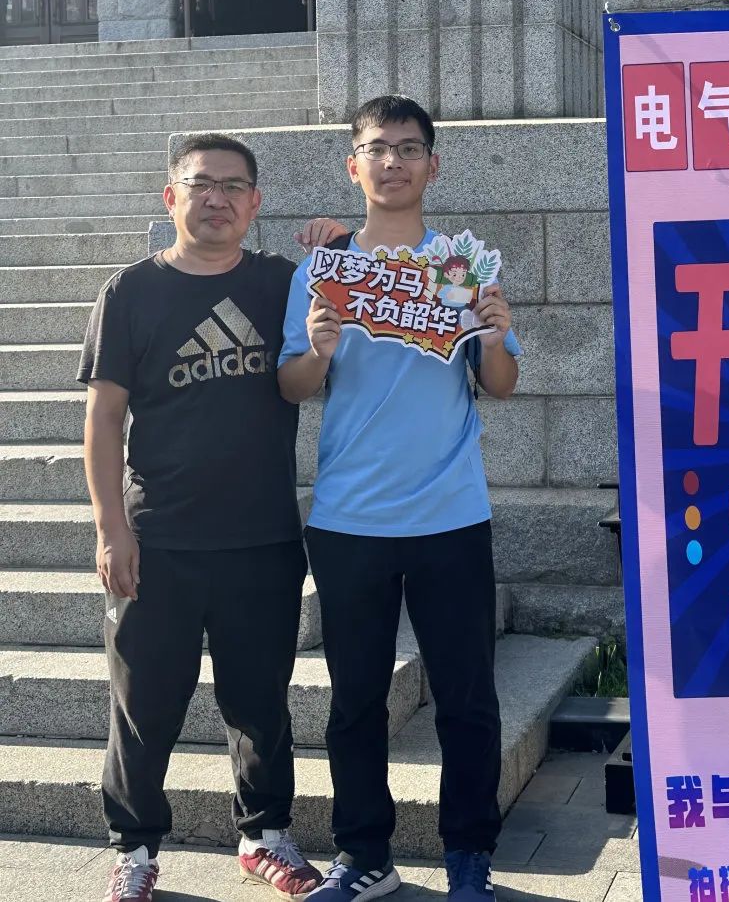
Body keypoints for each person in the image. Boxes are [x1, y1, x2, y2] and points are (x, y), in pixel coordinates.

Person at [79, 132, 346, 902]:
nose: (217, 198)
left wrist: (341, 243)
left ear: (255, 203)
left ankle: (265, 836)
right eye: (202, 184)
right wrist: (111, 529)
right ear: (172, 197)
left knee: (259, 700)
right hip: (157, 536)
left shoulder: (281, 283)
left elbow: (362, 287)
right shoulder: (130, 291)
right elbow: (103, 420)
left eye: (233, 186)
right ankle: (134, 848)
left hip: (261, 537)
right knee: (143, 705)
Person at [277, 95, 520, 902]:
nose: (393, 161)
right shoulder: (325, 269)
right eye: (378, 148)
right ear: (354, 165)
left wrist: (494, 332)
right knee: (355, 701)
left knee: (468, 699)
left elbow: (502, 382)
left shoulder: (461, 268)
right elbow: (292, 385)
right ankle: (365, 855)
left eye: (410, 148)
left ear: (433, 165)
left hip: (451, 514)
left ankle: (469, 855)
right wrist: (317, 351)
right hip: (349, 518)